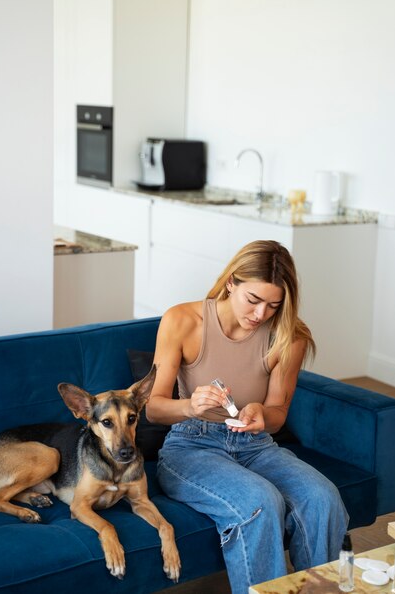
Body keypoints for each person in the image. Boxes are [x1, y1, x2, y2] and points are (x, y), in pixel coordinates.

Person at [146, 240, 348, 594]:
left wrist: (261, 415)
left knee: (323, 498)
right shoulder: (182, 320)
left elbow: (277, 413)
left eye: (273, 305)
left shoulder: (290, 336)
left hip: (257, 446)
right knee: (260, 502)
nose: (260, 315)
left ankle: (323, 590)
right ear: (231, 283)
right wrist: (190, 405)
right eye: (252, 300)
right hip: (191, 447)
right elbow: (153, 407)